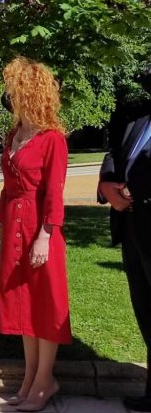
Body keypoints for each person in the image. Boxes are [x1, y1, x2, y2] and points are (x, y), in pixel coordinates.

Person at [0, 58, 70, 412]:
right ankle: (28, 379)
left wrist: (45, 236)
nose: (7, 94)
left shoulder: (52, 139)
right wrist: (2, 225)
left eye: (12, 88)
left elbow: (55, 193)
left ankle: (45, 382)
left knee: (45, 305)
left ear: (28, 92)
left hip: (41, 229)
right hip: (14, 226)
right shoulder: (14, 135)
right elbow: (8, 188)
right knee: (23, 305)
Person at [98, 63, 151, 412]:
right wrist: (107, 186)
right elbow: (112, 156)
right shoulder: (138, 120)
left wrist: (135, 189)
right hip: (133, 231)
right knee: (146, 311)